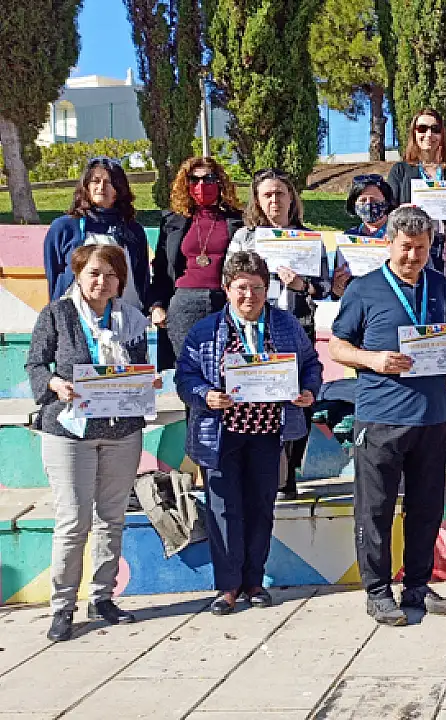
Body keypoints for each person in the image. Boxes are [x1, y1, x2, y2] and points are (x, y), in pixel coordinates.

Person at [330, 207, 446, 624]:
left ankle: (418, 586)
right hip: (381, 416)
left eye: (421, 248)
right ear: (389, 243)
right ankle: (377, 591)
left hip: (431, 415)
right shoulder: (364, 289)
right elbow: (337, 346)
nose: (413, 256)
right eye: (405, 247)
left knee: (426, 508)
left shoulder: (439, 285)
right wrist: (372, 359)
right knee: (376, 509)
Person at [176, 252, 322, 615]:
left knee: (261, 507)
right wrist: (205, 395)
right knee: (223, 510)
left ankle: (254, 581)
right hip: (221, 433)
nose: (249, 296)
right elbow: (185, 376)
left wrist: (308, 390)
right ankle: (228, 586)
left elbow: (311, 364)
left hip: (268, 432)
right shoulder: (205, 330)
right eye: (241, 287)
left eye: (257, 287)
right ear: (227, 289)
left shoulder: (285, 325)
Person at [26, 245, 153, 642]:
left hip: (121, 431)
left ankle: (102, 597)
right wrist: (54, 383)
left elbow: (135, 371)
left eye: (111, 274)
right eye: (94, 273)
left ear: (121, 281)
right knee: (73, 519)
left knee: (111, 518)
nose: (102, 281)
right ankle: (63, 606)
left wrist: (145, 383)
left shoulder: (132, 321)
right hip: (69, 431)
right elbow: (35, 363)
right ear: (78, 275)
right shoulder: (57, 315)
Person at [229, 168, 331, 500]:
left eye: (280, 193)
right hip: (252, 330)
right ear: (257, 201)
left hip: (296, 327)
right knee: (258, 398)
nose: (274, 200)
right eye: (267, 194)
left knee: (299, 398)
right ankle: (259, 474)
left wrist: (301, 285)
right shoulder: (245, 237)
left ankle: (288, 475)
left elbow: (324, 287)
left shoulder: (309, 239)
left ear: (291, 198)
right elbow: (228, 279)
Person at [149, 156, 244, 368]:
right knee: (189, 372)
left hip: (225, 304)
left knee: (226, 371)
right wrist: (157, 305)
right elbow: (161, 269)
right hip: (184, 303)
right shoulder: (172, 221)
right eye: (194, 179)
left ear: (220, 182)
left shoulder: (238, 221)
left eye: (208, 179)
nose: (201, 185)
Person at [44, 157, 150, 310]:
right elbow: (53, 274)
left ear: (119, 189)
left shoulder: (133, 230)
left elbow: (142, 277)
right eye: (96, 181)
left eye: (108, 182)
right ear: (86, 186)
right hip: (73, 314)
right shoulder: (64, 227)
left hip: (124, 315)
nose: (101, 187)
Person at [386, 108, 446, 272]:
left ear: (442, 134)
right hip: (412, 248)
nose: (429, 134)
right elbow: (388, 211)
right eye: (422, 129)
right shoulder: (400, 170)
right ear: (414, 133)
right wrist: (402, 211)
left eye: (435, 129)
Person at [333, 173, 396, 299]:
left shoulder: (398, 235)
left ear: (386, 203)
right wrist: (337, 288)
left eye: (374, 200)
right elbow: (337, 293)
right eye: (363, 200)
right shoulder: (348, 238)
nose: (368, 205)